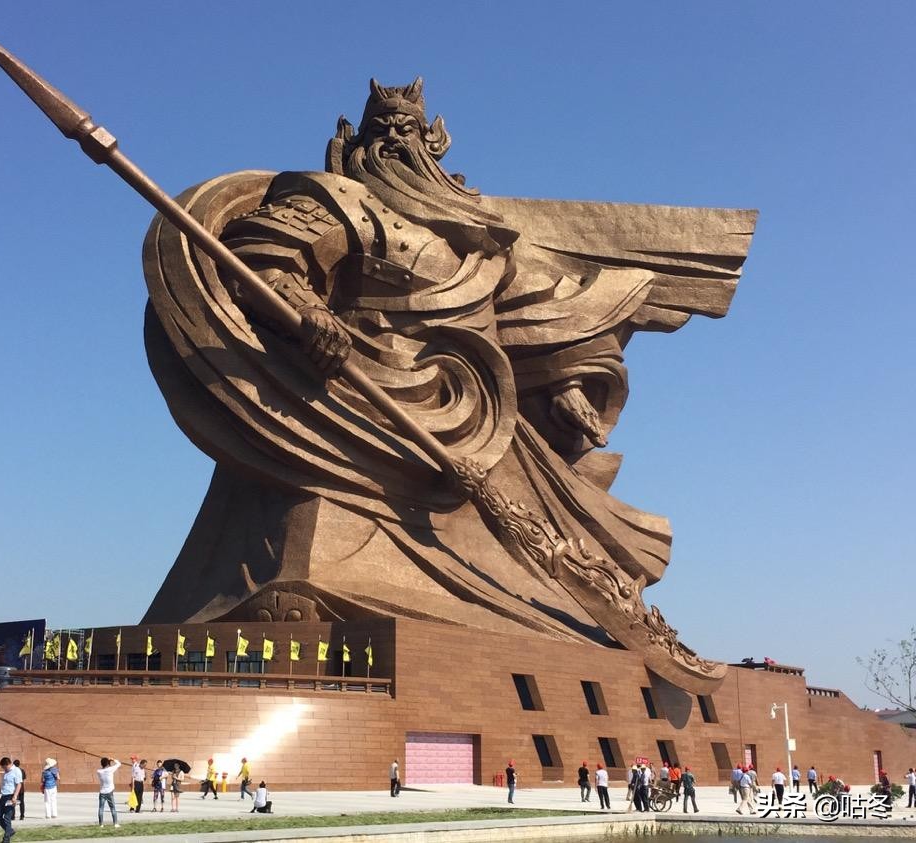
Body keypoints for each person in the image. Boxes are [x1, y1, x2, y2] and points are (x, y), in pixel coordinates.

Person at [143, 77, 746, 695]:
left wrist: (562, 383)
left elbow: (523, 323)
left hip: (472, 422)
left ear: (434, 143)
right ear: (354, 144)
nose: (397, 143)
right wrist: (308, 311)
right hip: (356, 399)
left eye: (410, 133)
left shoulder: (468, 238)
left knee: (563, 530)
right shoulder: (339, 200)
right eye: (385, 131)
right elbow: (262, 255)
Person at [0, 755, 23, 842]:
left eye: (4, 767)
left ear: (8, 764)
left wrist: (15, 796)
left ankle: (6, 840)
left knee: (7, 818)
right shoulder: (5, 773)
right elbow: (3, 784)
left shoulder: (16, 771)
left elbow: (19, 784)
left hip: (11, 796)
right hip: (4, 795)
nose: (4, 769)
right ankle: (10, 831)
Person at [95, 757, 121, 828]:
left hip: (102, 792)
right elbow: (119, 764)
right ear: (107, 763)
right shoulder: (110, 769)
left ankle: (101, 824)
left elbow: (104, 768)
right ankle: (115, 823)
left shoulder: (99, 771)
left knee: (101, 808)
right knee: (112, 808)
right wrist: (113, 759)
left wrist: (108, 762)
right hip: (109, 792)